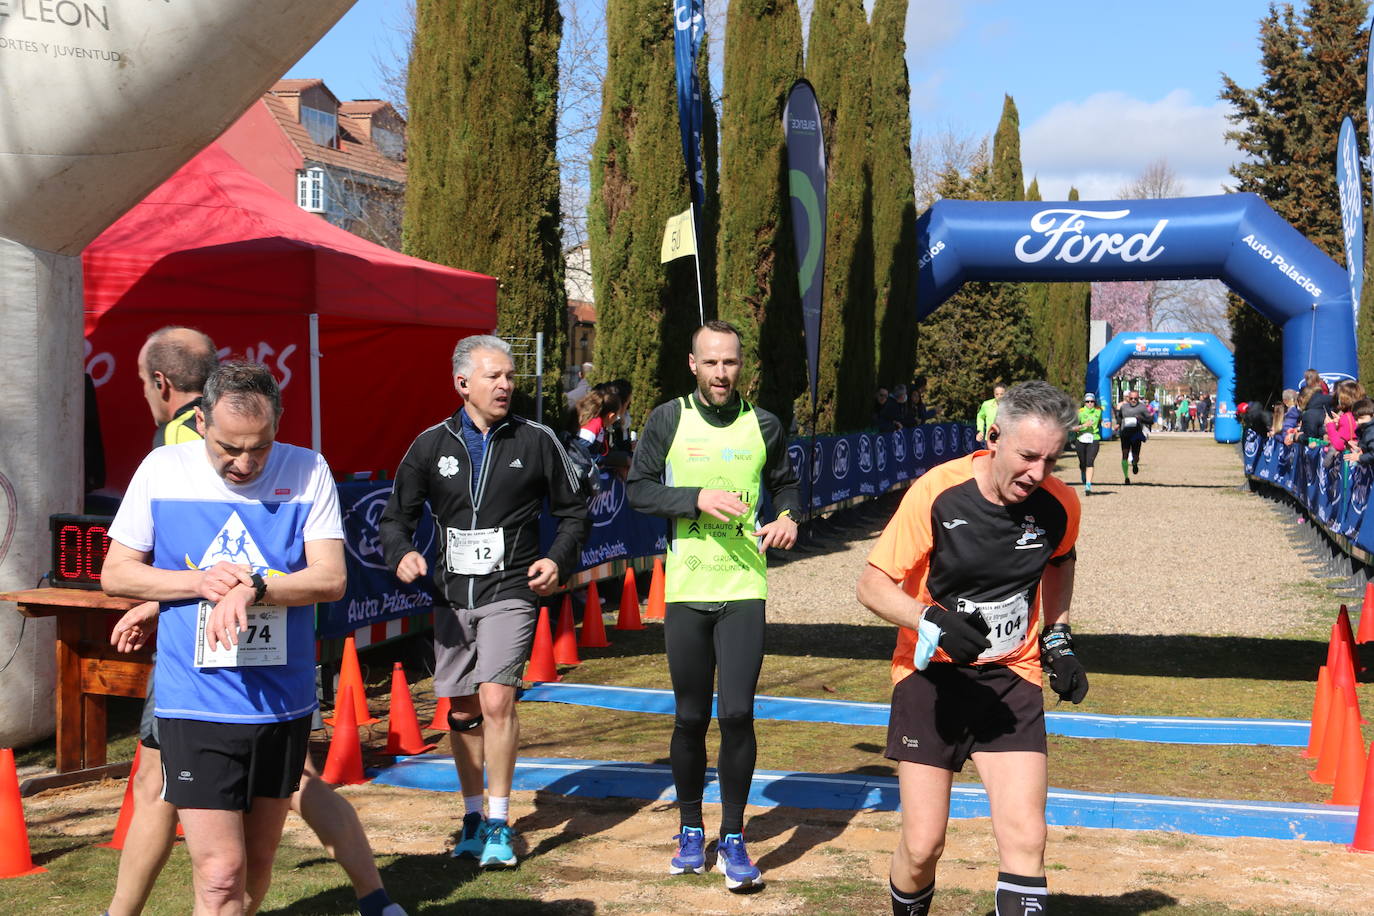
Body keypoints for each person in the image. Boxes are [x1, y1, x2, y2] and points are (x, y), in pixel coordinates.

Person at [106, 335, 407, 916]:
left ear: (279, 426)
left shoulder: (307, 468)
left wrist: (257, 582)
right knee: (220, 874)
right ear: (199, 420)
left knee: (253, 880)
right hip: (195, 702)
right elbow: (116, 573)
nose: (244, 464)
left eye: (260, 448)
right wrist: (197, 583)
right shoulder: (163, 469)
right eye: (228, 448)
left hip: (280, 702)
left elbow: (330, 580)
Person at [855, 380, 1085, 916]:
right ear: (993, 436)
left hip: (1012, 676)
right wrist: (930, 619)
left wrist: (1059, 635)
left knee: (1028, 838)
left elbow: (1061, 561)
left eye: (1051, 460)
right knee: (922, 846)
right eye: (1027, 456)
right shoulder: (939, 490)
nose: (1037, 473)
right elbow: (872, 585)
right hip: (931, 676)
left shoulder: (1060, 504)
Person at [380, 334, 589, 869]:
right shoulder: (430, 445)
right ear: (462, 383)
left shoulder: (537, 439)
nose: (505, 385)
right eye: (494, 376)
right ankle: (472, 816)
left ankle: (500, 822)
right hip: (450, 598)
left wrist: (559, 561)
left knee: (497, 700)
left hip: (510, 590)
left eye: (510, 376)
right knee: (463, 710)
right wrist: (401, 552)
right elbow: (395, 518)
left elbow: (575, 511)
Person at [626, 320, 800, 891]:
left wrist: (788, 519)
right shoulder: (668, 419)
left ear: (740, 365)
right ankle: (689, 828)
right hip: (687, 589)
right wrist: (695, 498)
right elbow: (638, 489)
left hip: (744, 587)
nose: (722, 373)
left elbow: (789, 484)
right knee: (691, 716)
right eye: (712, 363)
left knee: (737, 714)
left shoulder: (764, 423)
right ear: (692, 364)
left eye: (730, 363)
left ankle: (733, 837)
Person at [1115, 389, 1152, 483]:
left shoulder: (1142, 407)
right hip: (1125, 433)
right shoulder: (1124, 407)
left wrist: (1141, 418)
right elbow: (1119, 417)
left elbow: (1150, 420)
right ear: (1128, 398)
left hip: (1136, 434)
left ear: (1138, 398)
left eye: (1135, 398)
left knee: (1135, 455)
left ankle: (1135, 463)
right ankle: (1126, 477)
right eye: (1131, 398)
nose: (1133, 400)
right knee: (1124, 455)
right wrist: (1118, 424)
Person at [1072, 393, 1102, 495]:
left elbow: (1101, 422)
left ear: (1094, 402)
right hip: (1081, 439)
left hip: (1094, 439)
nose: (1090, 403)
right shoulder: (1080, 412)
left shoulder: (1098, 411)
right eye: (1087, 401)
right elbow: (1073, 428)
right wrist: (1084, 425)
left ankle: (1088, 485)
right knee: (1083, 462)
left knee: (1090, 462)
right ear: (1084, 402)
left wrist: (1105, 424)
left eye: (1092, 401)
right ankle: (1082, 471)